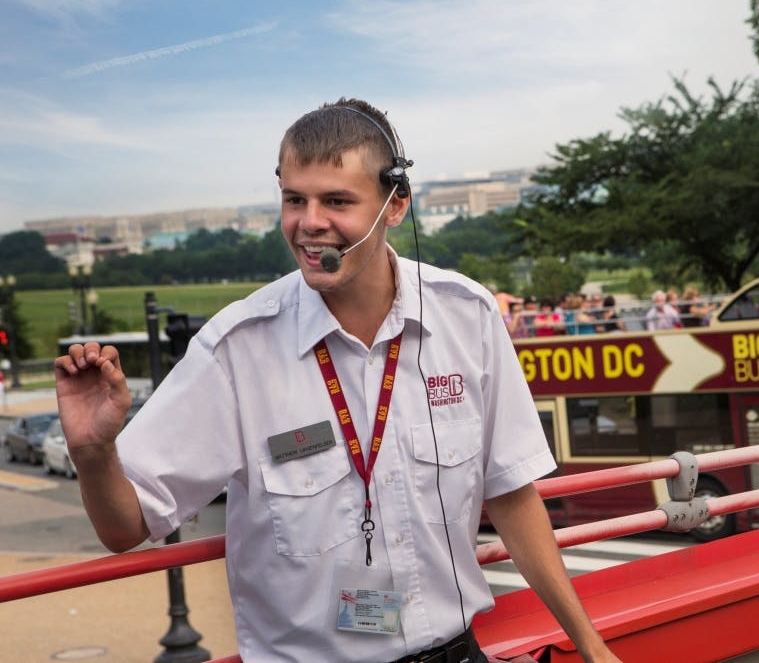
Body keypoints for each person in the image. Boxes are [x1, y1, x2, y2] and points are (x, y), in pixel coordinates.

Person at [54, 98, 620, 663]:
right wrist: (94, 450)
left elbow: (513, 496)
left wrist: (590, 645)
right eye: (294, 199)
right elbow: (126, 527)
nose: (310, 223)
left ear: (395, 205)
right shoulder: (235, 350)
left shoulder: (467, 315)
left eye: (337, 201)